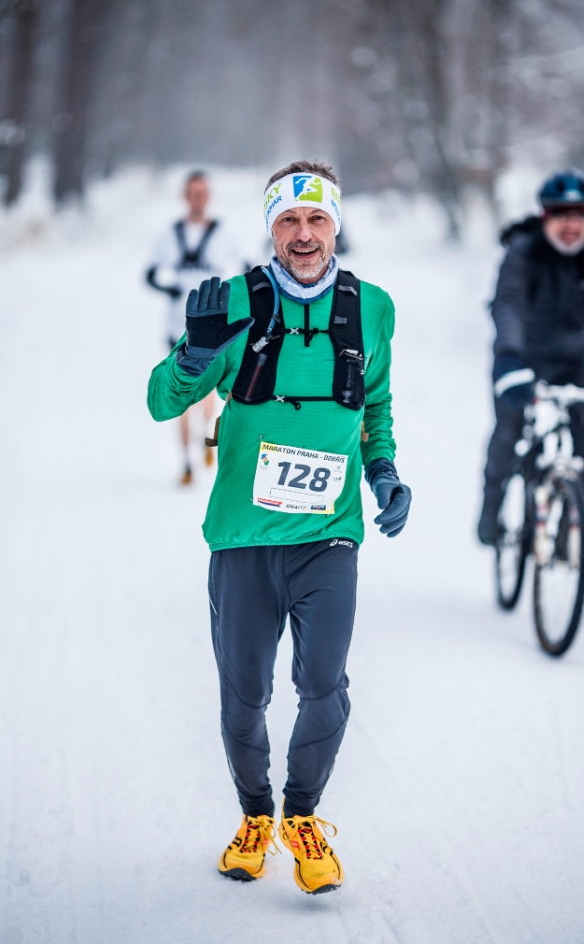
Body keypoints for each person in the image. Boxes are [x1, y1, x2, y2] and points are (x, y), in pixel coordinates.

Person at [147, 160, 411, 894]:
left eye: (316, 219)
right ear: (270, 227)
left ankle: (301, 816)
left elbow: (377, 404)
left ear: (335, 225)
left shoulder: (374, 307)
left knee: (324, 683)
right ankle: (254, 815)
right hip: (242, 538)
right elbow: (161, 403)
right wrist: (195, 355)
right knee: (244, 695)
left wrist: (383, 471)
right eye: (288, 221)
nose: (303, 235)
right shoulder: (233, 301)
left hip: (329, 536)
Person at [478, 169, 584, 545]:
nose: (571, 225)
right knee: (509, 432)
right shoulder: (523, 254)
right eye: (562, 215)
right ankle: (491, 513)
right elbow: (509, 307)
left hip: (573, 361)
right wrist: (510, 361)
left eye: (579, 217)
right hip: (520, 360)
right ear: (546, 217)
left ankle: (568, 515)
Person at [146, 170, 243, 484]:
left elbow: (246, 269)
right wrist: (170, 290)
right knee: (181, 395)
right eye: (193, 193)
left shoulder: (223, 233)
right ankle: (186, 462)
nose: (198, 199)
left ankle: (206, 440)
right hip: (178, 330)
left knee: (207, 399)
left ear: (209, 197)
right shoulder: (170, 234)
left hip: (213, 331)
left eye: (203, 193)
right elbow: (150, 274)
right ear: (185, 196)